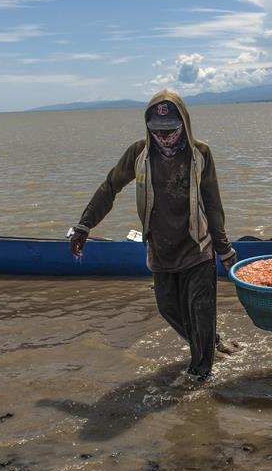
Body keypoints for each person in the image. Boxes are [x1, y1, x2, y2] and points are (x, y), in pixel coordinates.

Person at [68, 89, 237, 381]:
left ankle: (199, 378)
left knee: (201, 311)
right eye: (157, 131)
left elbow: (213, 203)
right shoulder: (139, 153)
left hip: (197, 247)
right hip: (160, 248)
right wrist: (85, 225)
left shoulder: (200, 154)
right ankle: (211, 342)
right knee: (169, 308)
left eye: (171, 130)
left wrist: (224, 249)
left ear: (184, 123)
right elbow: (110, 187)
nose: (164, 137)